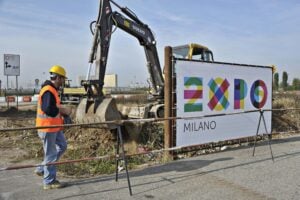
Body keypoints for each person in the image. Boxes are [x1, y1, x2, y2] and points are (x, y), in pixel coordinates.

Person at [35, 65, 71, 190]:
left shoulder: (52, 90)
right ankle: (49, 181)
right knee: (51, 153)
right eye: (63, 79)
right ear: (58, 77)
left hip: (54, 127)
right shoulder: (48, 90)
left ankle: (41, 168)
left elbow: (52, 108)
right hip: (47, 128)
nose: (63, 82)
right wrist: (63, 109)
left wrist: (63, 114)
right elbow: (48, 109)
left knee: (62, 146)